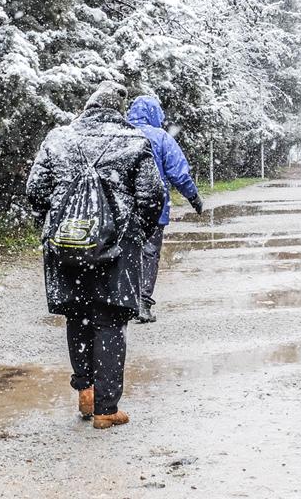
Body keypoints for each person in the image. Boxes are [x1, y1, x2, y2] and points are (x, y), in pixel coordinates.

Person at [26, 81, 164, 430]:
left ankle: (85, 390)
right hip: (116, 247)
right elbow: (151, 196)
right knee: (109, 320)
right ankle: (106, 407)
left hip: (68, 243)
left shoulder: (58, 138)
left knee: (78, 315)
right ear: (118, 110)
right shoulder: (134, 141)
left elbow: (35, 190)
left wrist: (63, 223)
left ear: (87, 107)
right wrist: (135, 233)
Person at [127, 95, 203, 323]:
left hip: (122, 208)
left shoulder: (121, 134)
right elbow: (178, 172)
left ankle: (122, 301)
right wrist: (194, 197)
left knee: (125, 253)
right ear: (155, 114)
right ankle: (142, 302)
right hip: (152, 207)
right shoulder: (160, 137)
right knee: (149, 254)